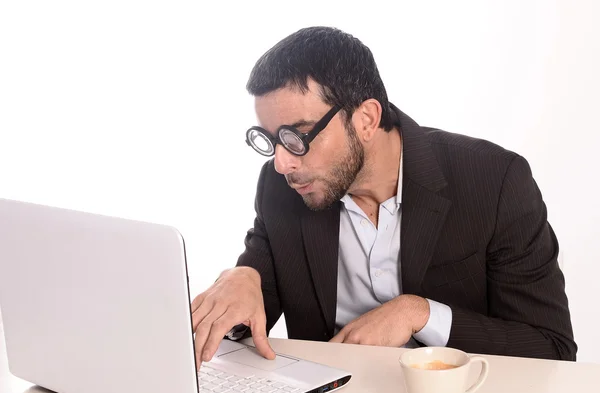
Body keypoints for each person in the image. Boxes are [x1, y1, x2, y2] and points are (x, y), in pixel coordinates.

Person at [191, 26, 577, 364]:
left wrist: (419, 314)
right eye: (272, 139)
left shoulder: (494, 181)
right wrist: (240, 281)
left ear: (367, 119)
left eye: (297, 137)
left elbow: (551, 348)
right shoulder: (281, 187)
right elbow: (247, 316)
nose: (282, 163)